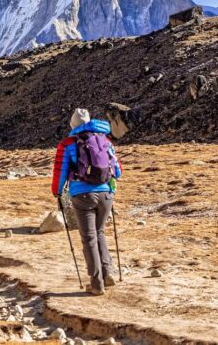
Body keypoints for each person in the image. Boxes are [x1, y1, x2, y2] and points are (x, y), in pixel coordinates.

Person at [51, 108, 122, 295]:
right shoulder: (105, 140)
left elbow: (60, 171)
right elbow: (118, 170)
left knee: (89, 237)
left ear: (73, 124)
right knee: (99, 232)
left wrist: (57, 192)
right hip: (106, 193)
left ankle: (97, 284)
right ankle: (109, 273)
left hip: (82, 195)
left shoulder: (67, 144)